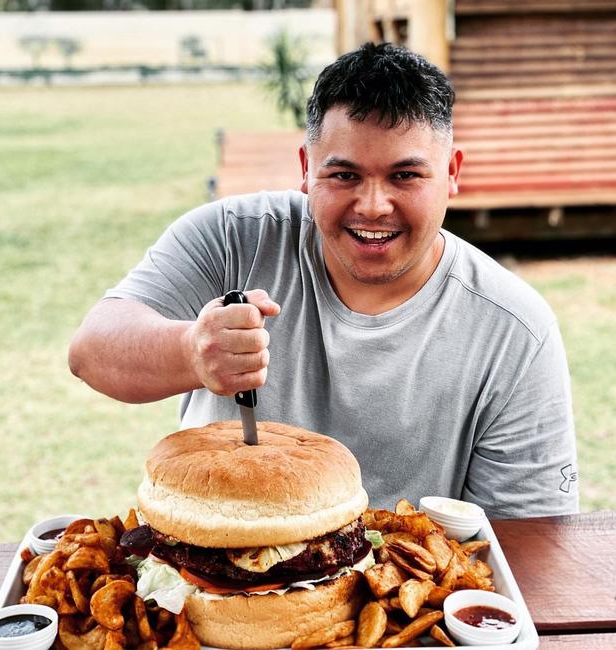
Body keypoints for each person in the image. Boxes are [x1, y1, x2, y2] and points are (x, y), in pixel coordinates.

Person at [69, 43, 579, 518]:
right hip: (213, 564)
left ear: (451, 173)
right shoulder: (231, 237)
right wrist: (190, 351)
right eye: (344, 176)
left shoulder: (515, 328)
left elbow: (528, 534)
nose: (374, 206)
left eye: (405, 176)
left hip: (410, 601)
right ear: (307, 169)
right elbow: (92, 351)